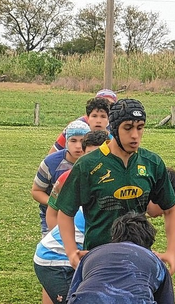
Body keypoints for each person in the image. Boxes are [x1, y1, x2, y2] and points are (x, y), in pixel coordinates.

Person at [56, 98, 175, 274]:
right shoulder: (88, 165)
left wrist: (171, 251)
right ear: (114, 128)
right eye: (128, 128)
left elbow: (171, 210)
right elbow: (65, 212)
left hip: (139, 259)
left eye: (140, 127)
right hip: (98, 259)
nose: (135, 135)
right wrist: (70, 252)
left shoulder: (152, 163)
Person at [34, 130, 106, 304]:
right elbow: (53, 212)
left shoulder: (107, 183)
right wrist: (65, 241)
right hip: (61, 251)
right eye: (90, 155)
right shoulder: (68, 178)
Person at [67, 212, 175, 304]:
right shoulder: (156, 262)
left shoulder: (92, 254)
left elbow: (72, 294)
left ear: (114, 237)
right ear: (149, 242)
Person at [32, 121, 91, 236]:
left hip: (84, 219)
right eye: (73, 140)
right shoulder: (51, 162)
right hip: (53, 217)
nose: (78, 146)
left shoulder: (94, 161)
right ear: (66, 142)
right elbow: (36, 191)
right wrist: (55, 204)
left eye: (83, 141)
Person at [45, 130, 109, 230]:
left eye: (100, 154)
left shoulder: (119, 177)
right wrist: (62, 240)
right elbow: (52, 214)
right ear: (83, 154)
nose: (96, 160)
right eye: (90, 154)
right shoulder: (66, 178)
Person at [47, 90, 115, 154]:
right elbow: (54, 152)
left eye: (103, 116)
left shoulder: (115, 133)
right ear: (88, 117)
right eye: (94, 116)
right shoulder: (75, 127)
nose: (98, 120)